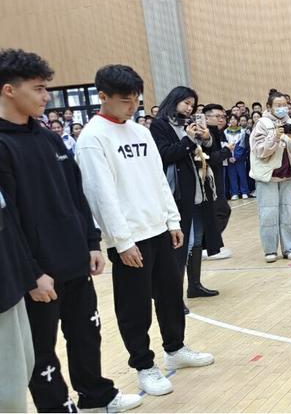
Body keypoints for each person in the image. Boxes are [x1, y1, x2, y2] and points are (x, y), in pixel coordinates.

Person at [0, 49, 141, 413]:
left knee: (86, 333)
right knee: (41, 350)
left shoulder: (49, 139)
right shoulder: (2, 147)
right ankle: (57, 407)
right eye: (39, 88)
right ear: (9, 91)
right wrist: (32, 275)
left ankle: (96, 394)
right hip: (38, 274)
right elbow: (8, 222)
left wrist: (92, 242)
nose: (47, 96)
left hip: (75, 260)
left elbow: (75, 195)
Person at [76, 65, 214, 397]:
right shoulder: (93, 138)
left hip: (159, 229)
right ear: (103, 97)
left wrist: (171, 221)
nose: (132, 106)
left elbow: (158, 178)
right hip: (129, 238)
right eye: (125, 100)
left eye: (136, 99)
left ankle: (175, 348)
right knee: (134, 305)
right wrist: (122, 242)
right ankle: (143, 365)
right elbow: (100, 195)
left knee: (170, 294)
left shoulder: (141, 132)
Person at [150, 86, 222, 300]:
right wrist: (188, 141)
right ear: (174, 101)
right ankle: (174, 297)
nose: (190, 108)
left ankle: (195, 285)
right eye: (186, 103)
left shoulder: (189, 124)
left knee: (198, 238)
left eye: (192, 104)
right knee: (182, 244)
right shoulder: (159, 125)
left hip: (200, 187)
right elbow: (164, 155)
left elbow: (211, 152)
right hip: (179, 191)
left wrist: (207, 138)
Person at [249, 91, 291, 263]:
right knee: (268, 214)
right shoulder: (262, 124)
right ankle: (270, 250)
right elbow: (260, 151)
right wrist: (275, 137)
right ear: (269, 107)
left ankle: (289, 248)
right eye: (278, 105)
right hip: (267, 176)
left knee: (288, 213)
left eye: (284, 105)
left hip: (288, 175)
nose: (282, 108)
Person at [0, 187, 39, 412]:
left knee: (23, 367)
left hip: (11, 283)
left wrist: (27, 274)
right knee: (8, 389)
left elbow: (10, 223)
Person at [202, 103, 235, 260]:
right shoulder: (205, 134)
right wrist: (227, 151)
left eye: (223, 117)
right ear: (206, 117)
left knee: (218, 212)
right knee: (221, 210)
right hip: (208, 179)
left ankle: (211, 245)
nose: (221, 119)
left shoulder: (218, 133)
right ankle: (208, 246)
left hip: (217, 177)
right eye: (217, 116)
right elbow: (210, 158)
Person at [224, 115, 250, 199]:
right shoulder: (225, 132)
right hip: (229, 158)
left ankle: (244, 192)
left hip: (239, 158)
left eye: (234, 119)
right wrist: (229, 156)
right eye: (231, 119)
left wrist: (236, 157)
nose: (233, 121)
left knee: (242, 175)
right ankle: (234, 193)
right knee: (232, 176)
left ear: (238, 121)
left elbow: (242, 145)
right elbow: (224, 145)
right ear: (228, 121)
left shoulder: (242, 131)